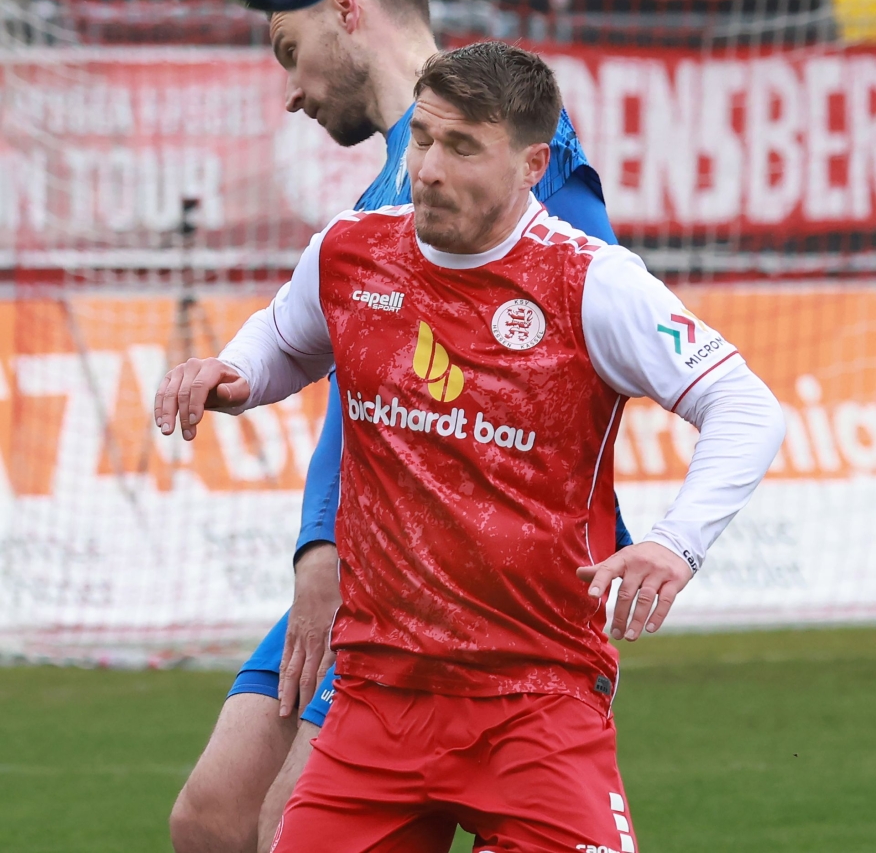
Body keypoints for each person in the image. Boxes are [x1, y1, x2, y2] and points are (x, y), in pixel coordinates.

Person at [157, 42, 784, 853]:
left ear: (531, 164)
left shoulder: (590, 282)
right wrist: (235, 373)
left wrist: (675, 543)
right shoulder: (351, 254)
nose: (427, 169)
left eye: (461, 148)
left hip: (536, 701)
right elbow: (282, 336)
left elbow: (745, 406)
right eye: (422, 138)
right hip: (377, 700)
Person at [168, 0, 630, 853]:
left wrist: (335, 551)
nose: (290, 90)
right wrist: (316, 538)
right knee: (211, 819)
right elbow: (339, 371)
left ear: (346, 7)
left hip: (462, 587)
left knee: (275, 826)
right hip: (367, 555)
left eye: (289, 54)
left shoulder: (522, 162)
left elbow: (555, 353)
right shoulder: (384, 192)